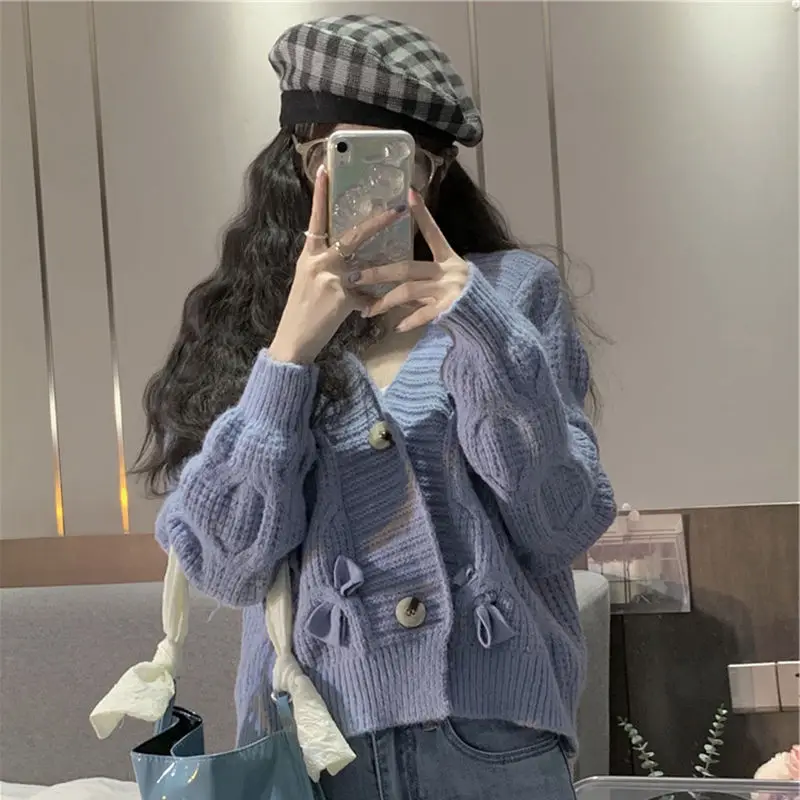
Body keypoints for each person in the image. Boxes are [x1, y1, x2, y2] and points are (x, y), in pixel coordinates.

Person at [134, 14, 616, 800]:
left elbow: (561, 524)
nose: (364, 188)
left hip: (491, 739)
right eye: (333, 155)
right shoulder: (255, 325)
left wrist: (484, 329)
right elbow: (225, 563)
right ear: (297, 165)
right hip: (314, 746)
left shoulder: (512, 295)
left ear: (436, 173)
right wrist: (288, 355)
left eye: (396, 161)